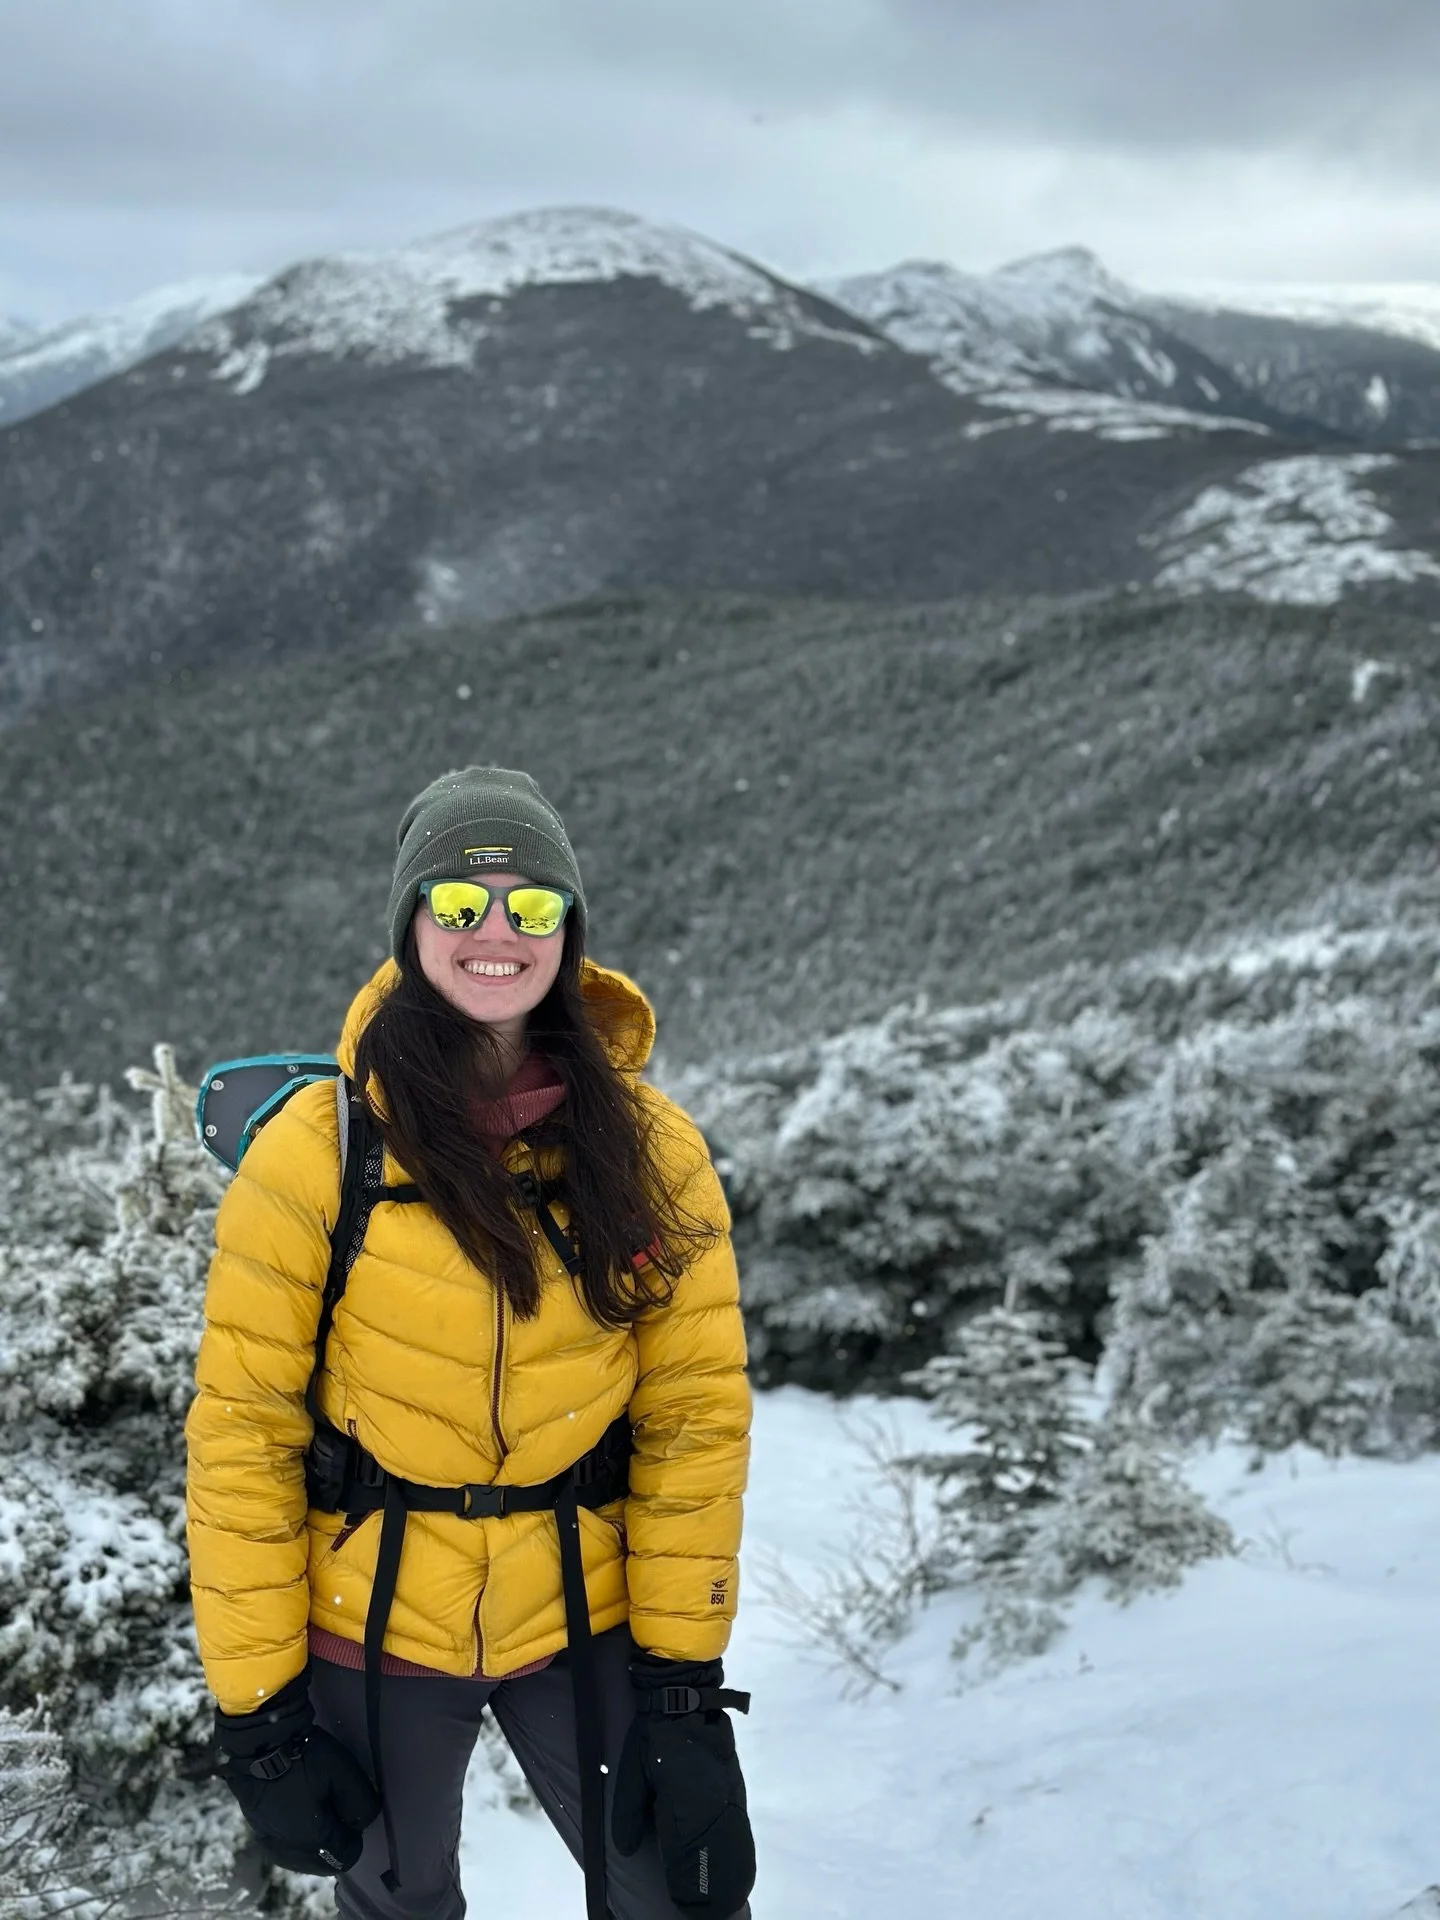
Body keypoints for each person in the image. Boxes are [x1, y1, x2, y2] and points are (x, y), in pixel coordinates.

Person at [184, 767, 755, 1920]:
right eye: (459, 903)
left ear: (571, 931)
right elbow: (243, 1433)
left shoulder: (651, 1151)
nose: (496, 934)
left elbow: (694, 1420)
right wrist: (260, 1715)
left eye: (532, 906)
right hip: (372, 1618)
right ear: (408, 925)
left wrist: (685, 1690)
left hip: (583, 1610)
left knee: (681, 1901)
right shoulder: (318, 1150)